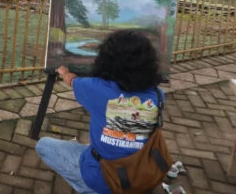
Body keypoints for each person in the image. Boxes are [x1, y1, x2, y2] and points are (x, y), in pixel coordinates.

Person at [35, 30, 164, 194]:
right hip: (140, 172)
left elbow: (72, 81)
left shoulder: (94, 88)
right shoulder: (158, 96)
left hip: (103, 176)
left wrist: (65, 73)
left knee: (43, 145)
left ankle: (92, 190)